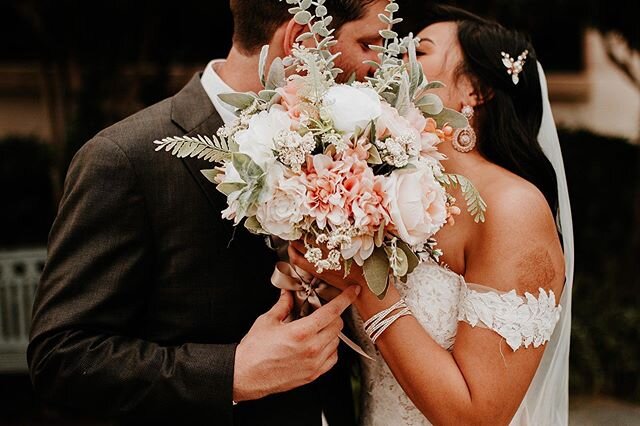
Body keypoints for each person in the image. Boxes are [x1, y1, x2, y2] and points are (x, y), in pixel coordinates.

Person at [27, 1, 388, 424]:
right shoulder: (126, 158)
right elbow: (60, 358)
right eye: (367, 43)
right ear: (300, 39)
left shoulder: (343, 146)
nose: (377, 65)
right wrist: (231, 374)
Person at [288, 5, 574, 425]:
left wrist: (366, 289)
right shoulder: (384, 190)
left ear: (475, 90)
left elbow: (478, 417)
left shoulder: (514, 209)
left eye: (417, 52)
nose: (392, 63)